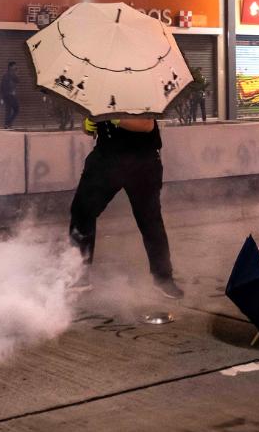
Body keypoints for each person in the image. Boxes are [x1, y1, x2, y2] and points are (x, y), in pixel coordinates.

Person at [67, 115, 183, 299]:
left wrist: (115, 120)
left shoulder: (138, 87)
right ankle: (79, 274)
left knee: (149, 219)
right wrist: (88, 125)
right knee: (82, 212)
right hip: (105, 159)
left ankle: (163, 278)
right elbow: (91, 121)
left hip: (141, 161)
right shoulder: (100, 89)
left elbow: (146, 125)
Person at [0, 61, 20, 129]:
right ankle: (7, 123)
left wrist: (16, 73)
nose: (15, 67)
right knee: (12, 109)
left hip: (11, 95)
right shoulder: (6, 75)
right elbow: (2, 86)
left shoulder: (13, 74)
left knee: (14, 109)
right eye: (14, 66)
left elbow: (18, 81)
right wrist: (3, 96)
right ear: (10, 67)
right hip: (8, 95)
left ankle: (7, 123)